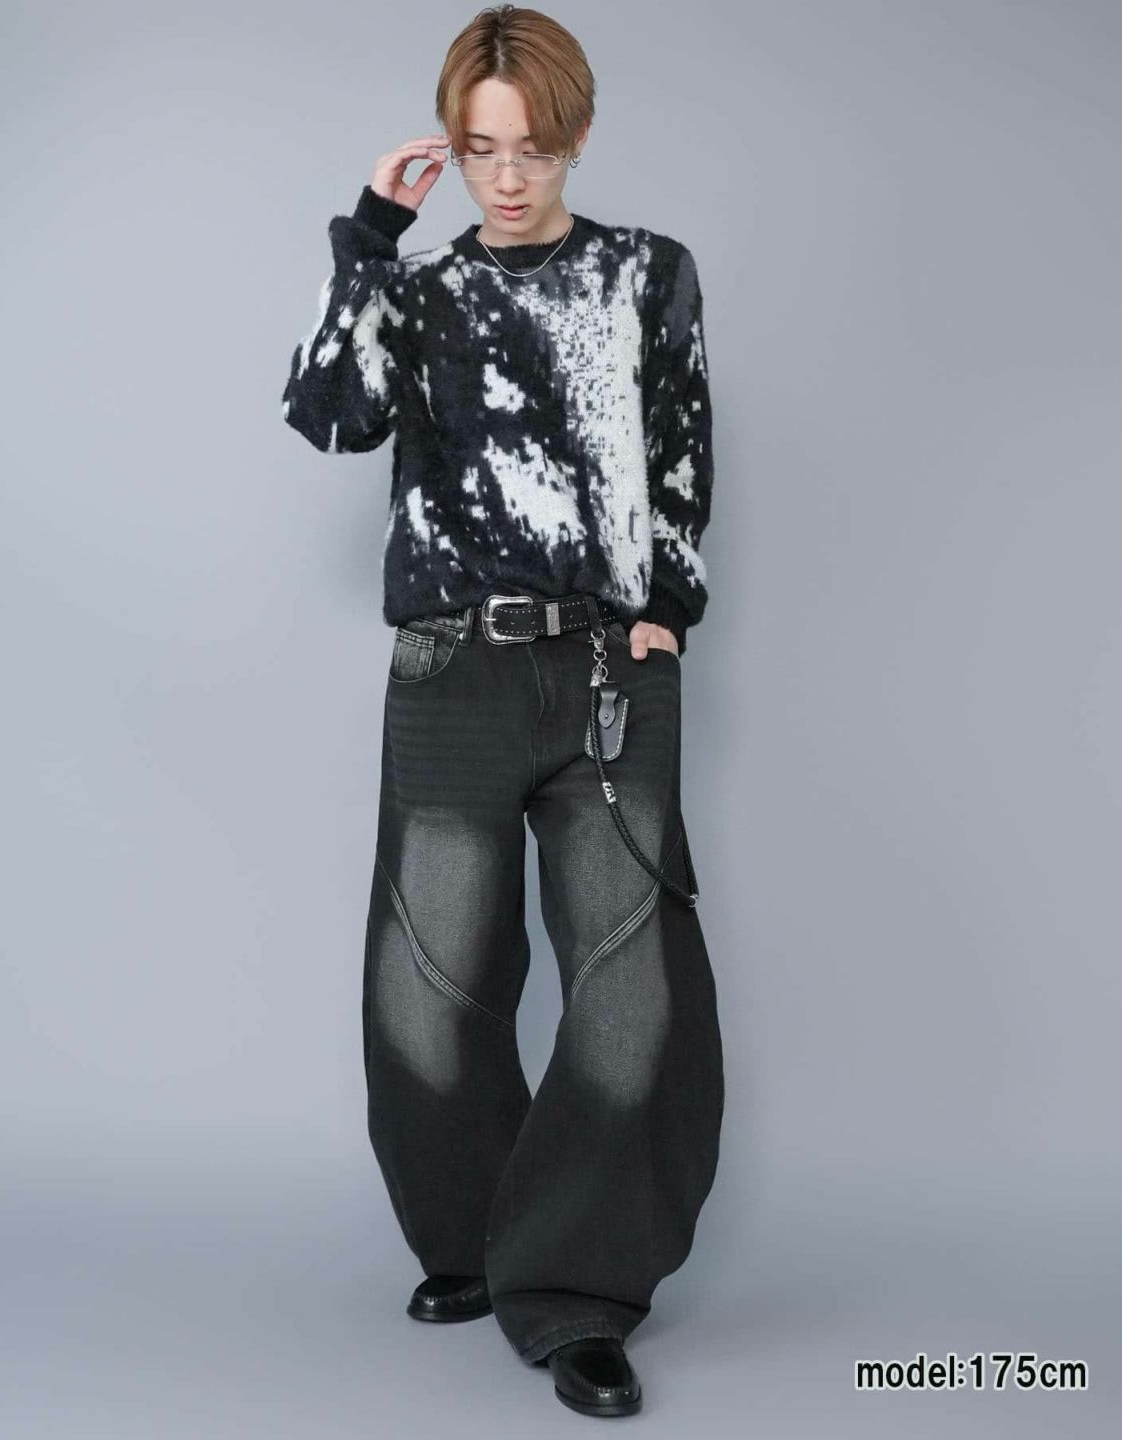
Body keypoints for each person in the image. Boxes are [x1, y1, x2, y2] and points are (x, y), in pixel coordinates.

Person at [281, 3, 724, 1418]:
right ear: (454, 150)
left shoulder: (648, 273)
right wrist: (368, 238)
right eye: (482, 149)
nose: (510, 176)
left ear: (576, 137)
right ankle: (479, 1241)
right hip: (451, 667)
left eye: (533, 147)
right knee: (430, 988)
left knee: (628, 994)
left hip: (605, 673)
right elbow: (328, 414)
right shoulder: (418, 292)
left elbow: (683, 446)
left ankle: (578, 1292)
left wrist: (668, 606)